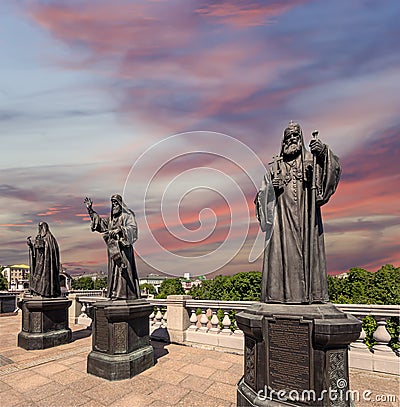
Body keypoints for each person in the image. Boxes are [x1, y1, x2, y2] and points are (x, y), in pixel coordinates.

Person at [255, 122, 341, 303]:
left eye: (295, 136)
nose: (292, 140)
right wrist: (272, 188)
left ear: (301, 139)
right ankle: (280, 298)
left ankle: (311, 296)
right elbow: (260, 198)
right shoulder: (275, 167)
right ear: (284, 141)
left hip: (306, 219)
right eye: (289, 137)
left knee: (309, 260)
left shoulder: (312, 160)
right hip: (282, 225)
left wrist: (324, 152)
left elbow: (330, 176)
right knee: (281, 260)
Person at [84, 194, 140, 300]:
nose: (114, 205)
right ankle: (115, 292)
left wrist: (120, 230)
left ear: (120, 204)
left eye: (116, 203)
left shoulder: (127, 216)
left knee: (123, 271)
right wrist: (90, 210)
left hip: (124, 250)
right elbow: (100, 224)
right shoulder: (110, 219)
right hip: (113, 251)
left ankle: (126, 295)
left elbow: (133, 229)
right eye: (112, 203)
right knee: (114, 272)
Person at [27, 222, 61, 297]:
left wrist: (37, 244)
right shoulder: (46, 238)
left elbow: (43, 249)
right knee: (38, 277)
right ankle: (40, 291)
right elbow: (37, 250)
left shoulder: (49, 238)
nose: (39, 230)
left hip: (45, 265)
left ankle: (45, 292)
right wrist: (31, 246)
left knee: (42, 277)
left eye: (40, 228)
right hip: (41, 263)